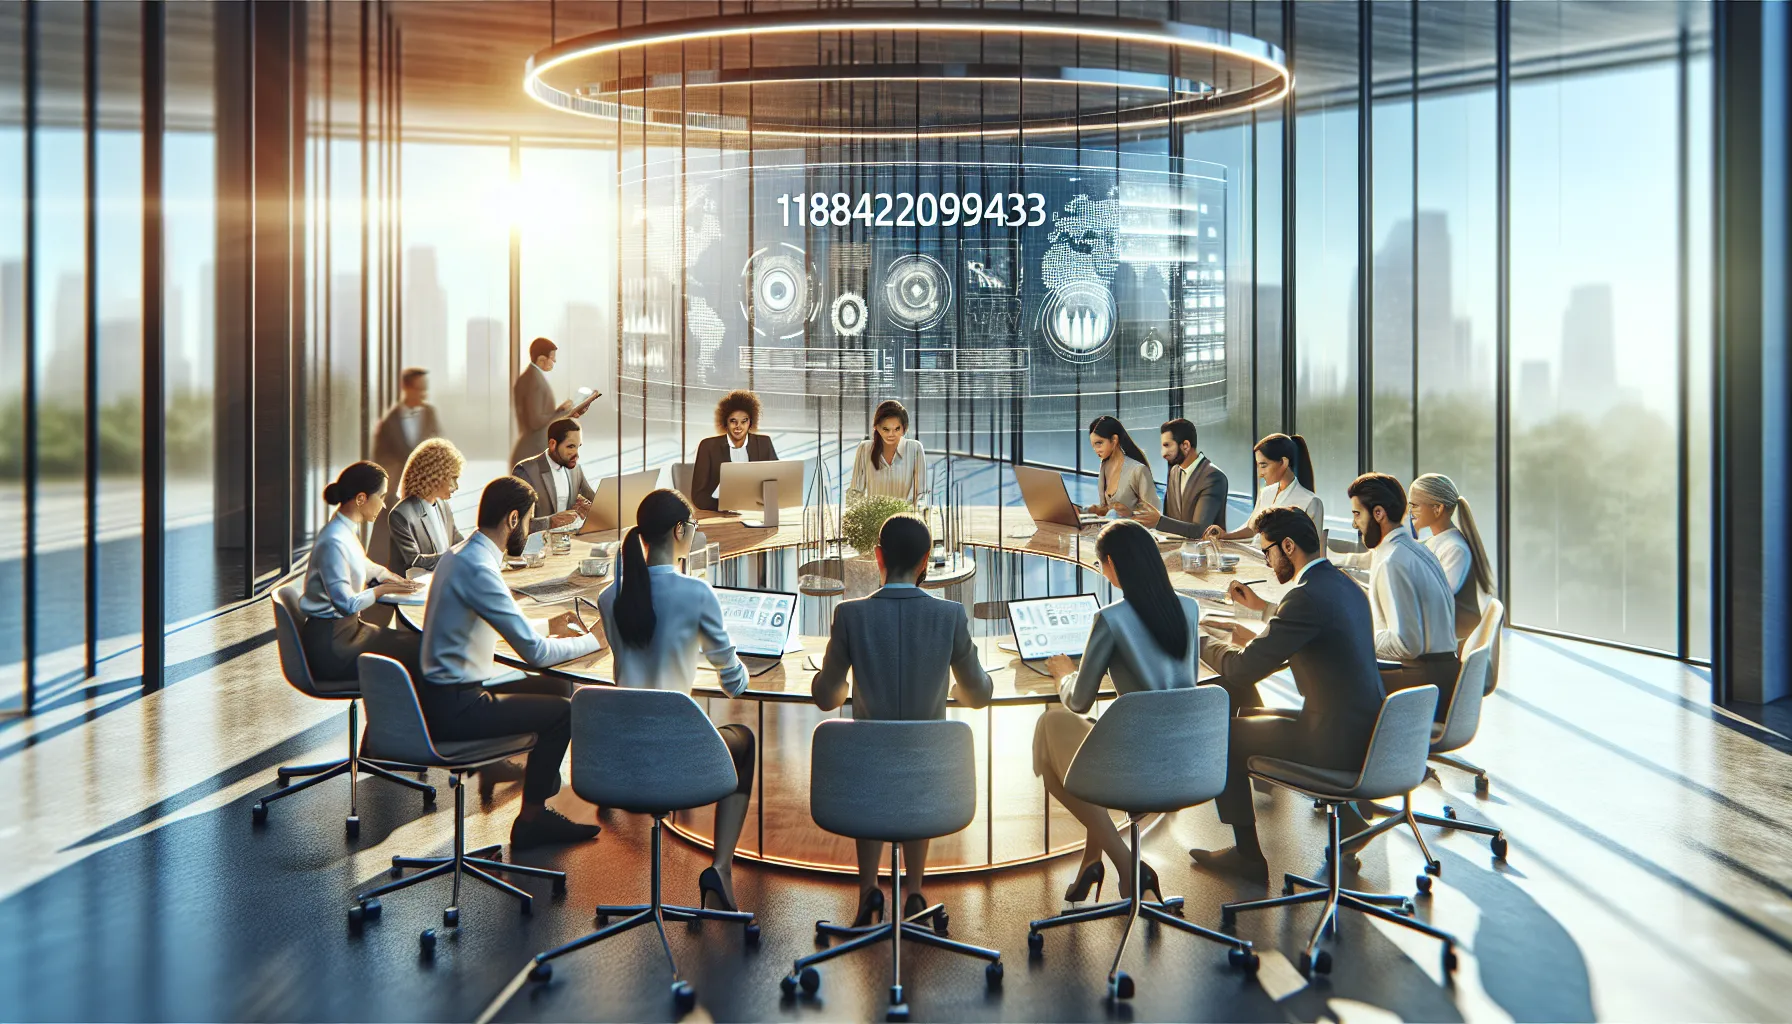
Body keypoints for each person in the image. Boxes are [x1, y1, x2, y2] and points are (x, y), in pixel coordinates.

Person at [811, 513, 994, 926]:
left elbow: (827, 697)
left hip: (867, 775)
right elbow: (979, 694)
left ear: (878, 556)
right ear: (926, 560)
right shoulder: (949, 616)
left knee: (871, 761)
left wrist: (839, 685)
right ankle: (913, 893)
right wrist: (955, 691)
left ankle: (868, 894)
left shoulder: (849, 615)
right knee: (915, 761)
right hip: (928, 776)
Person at [1190, 507, 1386, 882]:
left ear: (1289, 546)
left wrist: (1198, 639)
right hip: (1368, 730)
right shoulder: (1344, 584)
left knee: (1224, 734)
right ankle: (1350, 819)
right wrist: (1259, 629)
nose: (1267, 560)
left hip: (1334, 742)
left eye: (1267, 552)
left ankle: (1247, 857)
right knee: (1250, 717)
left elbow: (1244, 669)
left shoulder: (1305, 598)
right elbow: (1310, 637)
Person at [418, 476, 603, 850]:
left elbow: (484, 623)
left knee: (548, 687)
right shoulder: (481, 570)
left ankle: (541, 787)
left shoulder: (460, 555)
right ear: (513, 519)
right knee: (562, 712)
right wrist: (594, 640)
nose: (530, 529)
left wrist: (546, 624)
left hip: (435, 697)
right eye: (530, 520)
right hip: (456, 710)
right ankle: (531, 822)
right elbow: (535, 653)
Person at [596, 488, 757, 912]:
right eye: (694, 528)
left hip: (619, 759)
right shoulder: (697, 593)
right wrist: (736, 665)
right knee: (744, 739)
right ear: (679, 530)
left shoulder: (609, 597)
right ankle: (720, 869)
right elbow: (733, 685)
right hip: (675, 760)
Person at [1033, 520, 1203, 906]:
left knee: (1048, 731)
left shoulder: (1111, 619)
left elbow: (1078, 701)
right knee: (1092, 736)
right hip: (1188, 760)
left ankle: (1127, 865)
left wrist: (1065, 674)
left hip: (1138, 765)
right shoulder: (1189, 610)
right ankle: (1092, 862)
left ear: (1110, 563)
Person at [1340, 472, 1460, 722]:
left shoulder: (1391, 561)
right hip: (1443, 678)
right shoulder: (1418, 550)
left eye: (1357, 514)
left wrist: (1358, 638)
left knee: (1333, 675)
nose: (1354, 524)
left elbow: (1407, 644)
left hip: (1425, 688)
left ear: (1378, 513)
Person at [297, 461, 424, 681]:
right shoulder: (334, 541)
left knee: (419, 645)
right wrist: (382, 590)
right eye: (382, 497)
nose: (384, 505)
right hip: (333, 648)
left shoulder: (343, 531)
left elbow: (364, 565)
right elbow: (346, 604)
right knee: (419, 652)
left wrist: (391, 577)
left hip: (346, 633)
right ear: (361, 499)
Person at [1407, 473, 1494, 639]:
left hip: (1448, 639)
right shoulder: (1435, 542)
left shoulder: (1454, 549)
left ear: (1437, 509)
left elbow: (1435, 597)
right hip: (1436, 631)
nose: (1410, 512)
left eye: (1415, 505)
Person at [1204, 433, 1323, 543]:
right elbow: (1252, 529)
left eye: (1264, 466)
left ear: (1283, 462)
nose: (1260, 474)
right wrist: (1224, 535)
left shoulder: (1310, 502)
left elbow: (1312, 551)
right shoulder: (1266, 493)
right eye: (1258, 466)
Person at [511, 337, 598, 467]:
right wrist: (567, 412)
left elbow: (538, 415)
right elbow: (535, 422)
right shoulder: (533, 381)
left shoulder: (532, 377)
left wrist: (559, 411)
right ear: (541, 359)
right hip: (534, 449)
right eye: (552, 358)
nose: (555, 361)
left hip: (534, 447)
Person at [383, 438, 465, 577]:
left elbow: (458, 543)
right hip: (410, 592)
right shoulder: (401, 514)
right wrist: (455, 558)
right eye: (453, 478)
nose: (456, 487)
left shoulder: (443, 506)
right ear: (435, 476)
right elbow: (414, 561)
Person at [1134, 417, 1229, 537]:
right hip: (1176, 549)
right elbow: (1170, 518)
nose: (1163, 454)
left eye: (1167, 445)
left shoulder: (1213, 477)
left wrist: (1159, 521)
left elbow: (1201, 530)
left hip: (1204, 552)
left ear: (1185, 445)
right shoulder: (1174, 472)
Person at [690, 389, 779, 512]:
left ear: (750, 423)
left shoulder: (764, 443)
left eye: (744, 421)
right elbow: (698, 497)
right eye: (733, 421)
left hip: (756, 512)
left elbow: (776, 484)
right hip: (718, 513)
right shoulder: (708, 446)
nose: (738, 426)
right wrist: (727, 506)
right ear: (725, 422)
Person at [512, 418, 595, 535]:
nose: (577, 454)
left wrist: (592, 510)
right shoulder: (526, 471)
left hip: (568, 543)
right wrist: (549, 522)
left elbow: (594, 500)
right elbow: (516, 523)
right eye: (570, 447)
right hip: (537, 547)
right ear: (552, 444)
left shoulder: (575, 469)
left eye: (578, 446)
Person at [371, 367, 444, 486]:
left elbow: (439, 448)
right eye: (419, 389)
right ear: (405, 388)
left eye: (425, 389)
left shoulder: (430, 414)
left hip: (426, 488)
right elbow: (379, 459)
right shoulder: (389, 422)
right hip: (396, 490)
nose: (424, 394)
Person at [848, 399, 928, 505]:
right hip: (873, 518)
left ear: (905, 428)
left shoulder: (915, 448)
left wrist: (916, 517)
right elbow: (855, 493)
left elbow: (921, 494)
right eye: (886, 429)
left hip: (904, 518)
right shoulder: (865, 449)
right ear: (876, 427)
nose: (891, 434)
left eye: (897, 429)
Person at [1080, 415, 1158, 518]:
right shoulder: (1104, 466)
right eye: (1093, 445)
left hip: (1131, 531)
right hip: (1108, 528)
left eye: (1099, 443)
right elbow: (1106, 510)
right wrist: (1092, 510)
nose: (1096, 450)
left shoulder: (1138, 470)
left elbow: (1154, 515)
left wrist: (1130, 514)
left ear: (1114, 440)